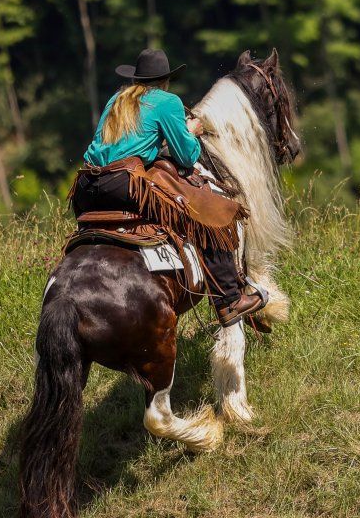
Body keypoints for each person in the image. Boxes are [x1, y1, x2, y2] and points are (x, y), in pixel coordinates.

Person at [71, 48, 265, 326]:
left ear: (136, 78)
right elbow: (186, 156)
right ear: (165, 80)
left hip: (86, 186)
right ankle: (229, 300)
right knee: (209, 212)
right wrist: (191, 132)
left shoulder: (116, 99)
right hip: (125, 184)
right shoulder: (167, 101)